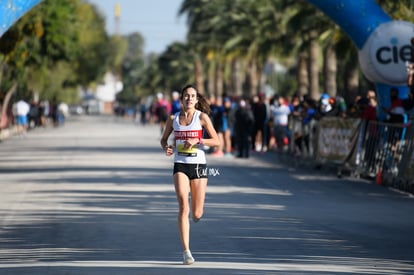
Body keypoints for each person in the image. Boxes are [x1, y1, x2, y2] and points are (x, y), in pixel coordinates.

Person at [160, 84, 220, 265]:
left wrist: (198, 140)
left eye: (192, 96)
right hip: (180, 165)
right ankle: (186, 251)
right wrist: (167, 148)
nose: (189, 99)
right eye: (186, 95)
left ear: (196, 99)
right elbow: (164, 140)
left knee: (197, 213)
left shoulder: (202, 117)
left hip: (199, 166)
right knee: (183, 207)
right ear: (181, 99)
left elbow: (216, 141)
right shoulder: (174, 119)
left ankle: (197, 213)